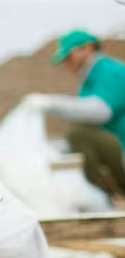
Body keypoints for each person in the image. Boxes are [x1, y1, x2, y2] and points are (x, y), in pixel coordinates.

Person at [26, 29, 125, 200]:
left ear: (86, 48)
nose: (66, 63)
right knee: (78, 135)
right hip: (118, 148)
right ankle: (110, 195)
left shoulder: (108, 70)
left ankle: (106, 196)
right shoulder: (89, 81)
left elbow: (100, 112)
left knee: (79, 134)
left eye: (68, 56)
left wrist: (50, 104)